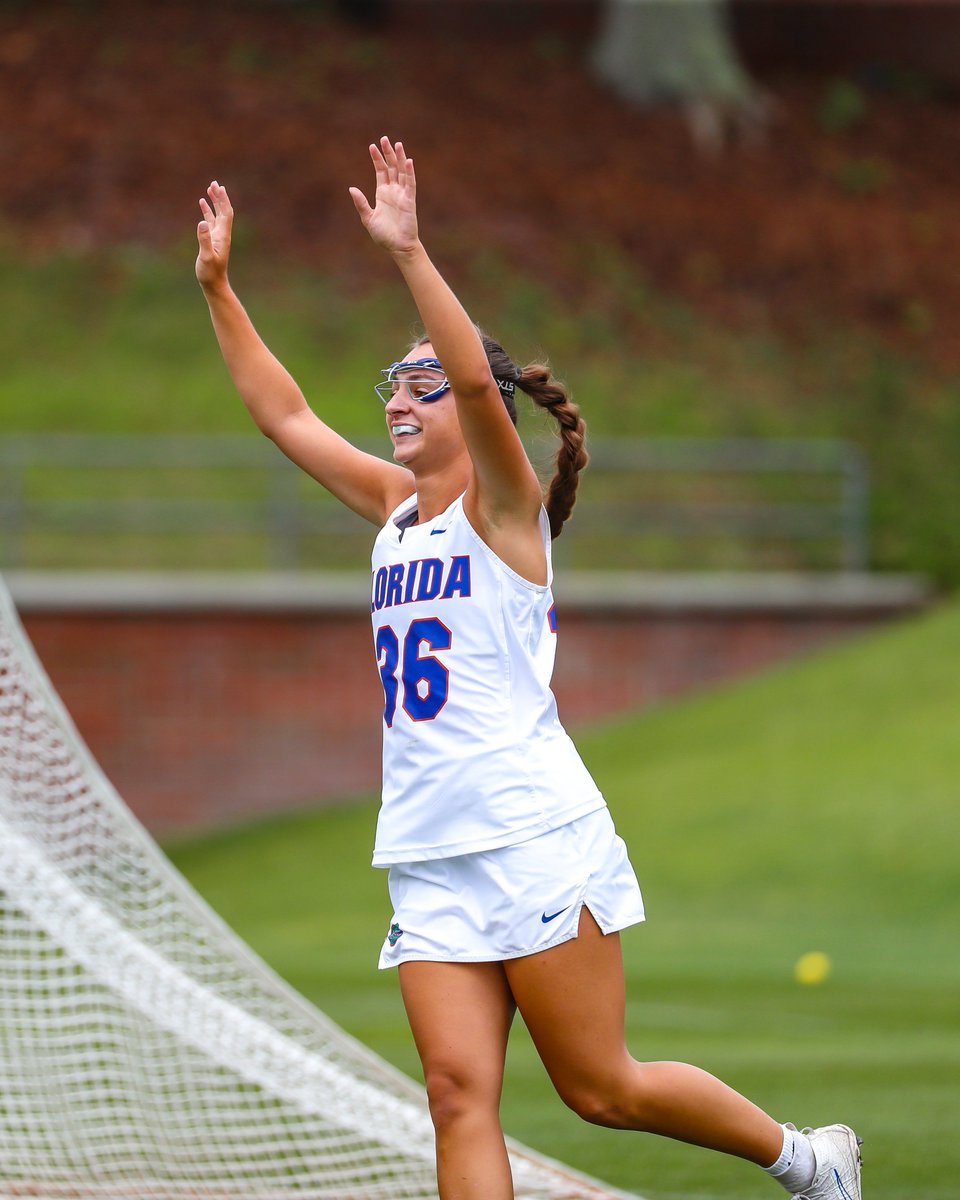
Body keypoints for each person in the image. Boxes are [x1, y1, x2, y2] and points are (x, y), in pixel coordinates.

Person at [195, 137, 863, 1200]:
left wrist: (411, 251)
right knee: (456, 1096)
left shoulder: (502, 513)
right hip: (427, 848)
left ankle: (807, 1159)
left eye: (420, 385)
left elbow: (468, 366)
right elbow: (284, 412)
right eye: (391, 385)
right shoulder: (393, 511)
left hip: (529, 834)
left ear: (483, 409)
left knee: (601, 1089)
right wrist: (221, 290)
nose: (398, 401)